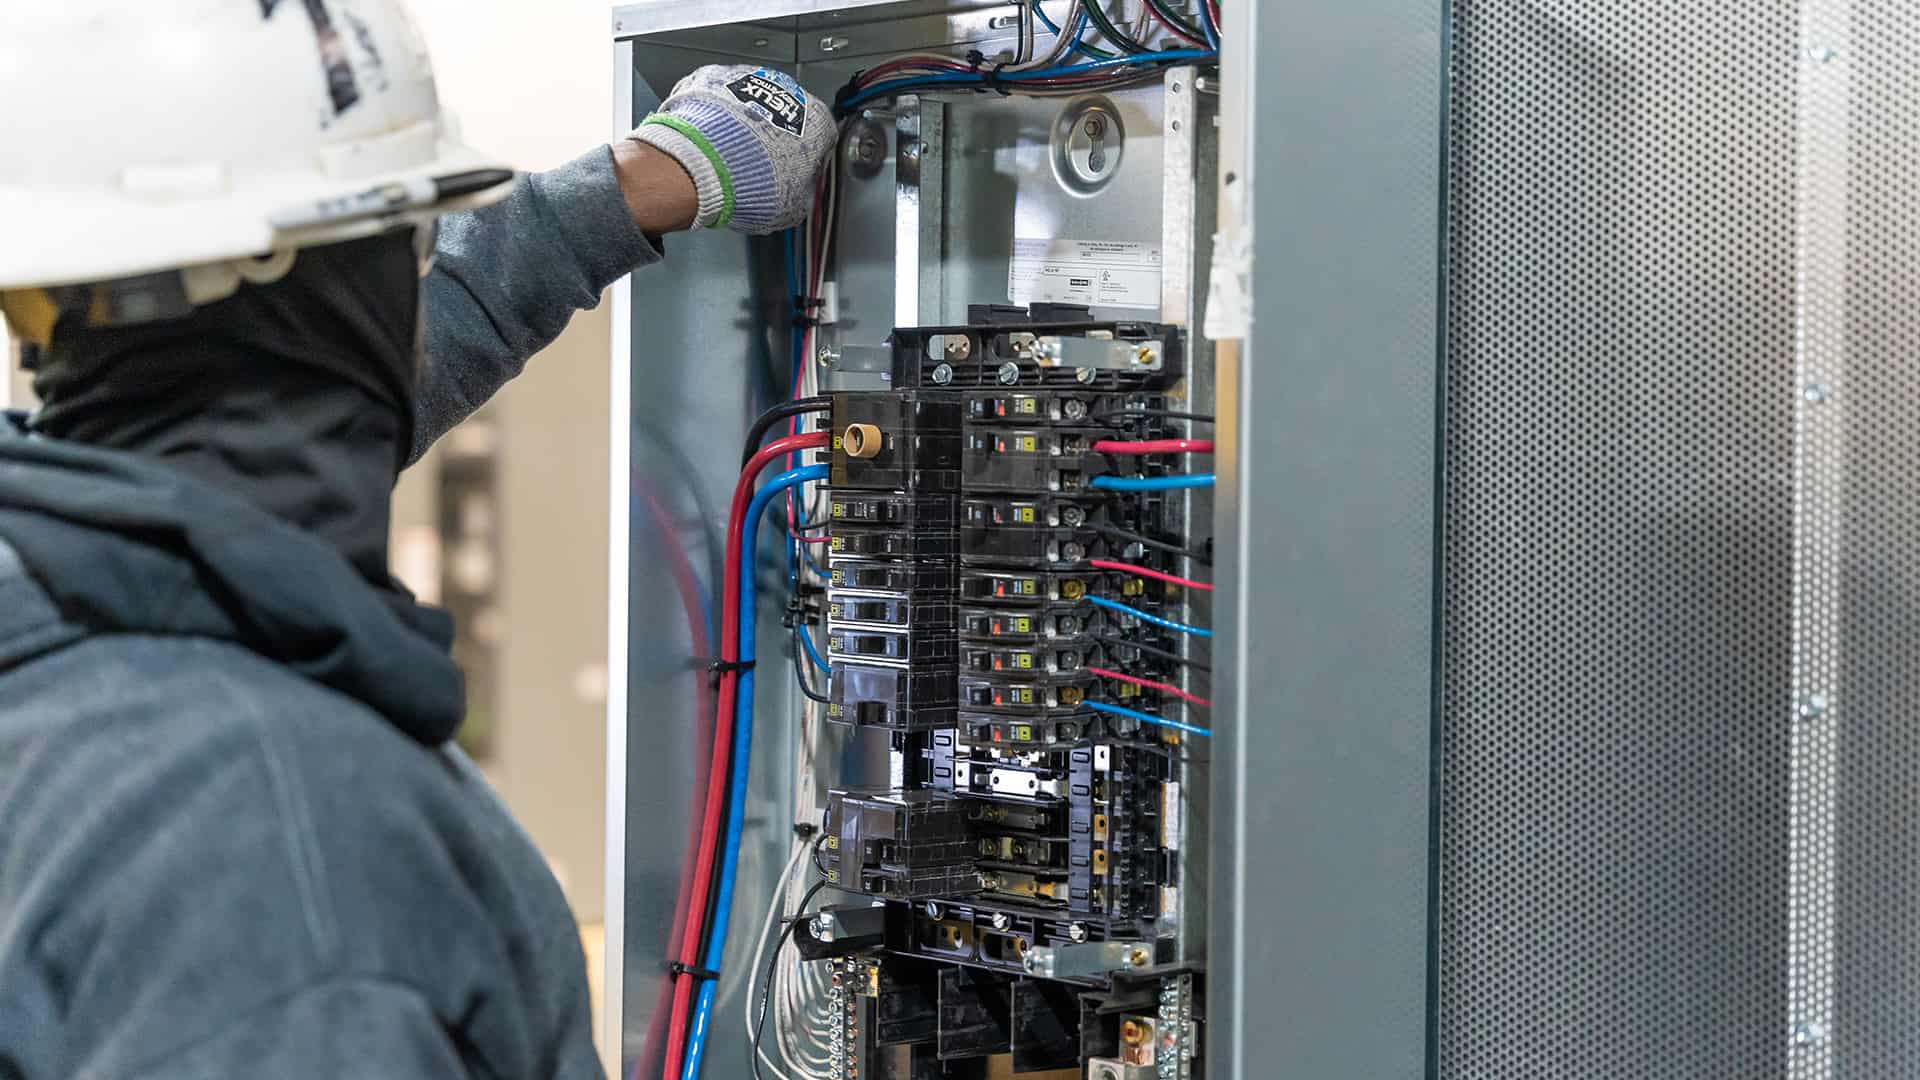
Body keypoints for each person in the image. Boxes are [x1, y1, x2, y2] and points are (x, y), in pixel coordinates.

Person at [0, 3, 833, 1076]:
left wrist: (614, 193)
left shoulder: (68, 586)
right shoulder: (290, 852)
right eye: (410, 240)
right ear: (359, 289)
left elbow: (274, 406)